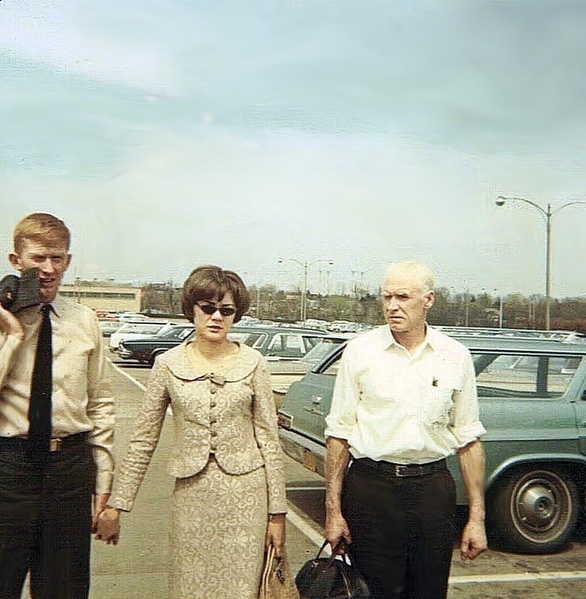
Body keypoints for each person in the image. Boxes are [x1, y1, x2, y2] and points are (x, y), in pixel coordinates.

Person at [98, 265, 288, 599]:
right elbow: (144, 438)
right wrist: (117, 506)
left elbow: (269, 442)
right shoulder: (168, 364)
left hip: (246, 498)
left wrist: (277, 515)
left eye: (226, 310)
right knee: (191, 587)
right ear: (192, 310)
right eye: (208, 308)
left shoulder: (255, 363)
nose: (217, 317)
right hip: (192, 497)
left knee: (242, 589)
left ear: (236, 314)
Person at [324, 260, 487, 599]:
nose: (391, 306)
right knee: (374, 592)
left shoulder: (455, 356)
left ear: (428, 300)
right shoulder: (361, 352)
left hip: (432, 493)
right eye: (386, 297)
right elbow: (339, 434)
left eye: (402, 297)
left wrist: (477, 518)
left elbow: (468, 440)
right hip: (371, 492)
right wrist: (333, 512)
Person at [0, 213, 115, 599]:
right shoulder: (1, 320)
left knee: (63, 589)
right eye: (38, 259)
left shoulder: (84, 322)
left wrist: (103, 478)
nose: (48, 270)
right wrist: (12, 337)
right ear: (16, 261)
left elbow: (100, 404)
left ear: (68, 260)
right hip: (8, 468)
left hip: (69, 472)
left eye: (57, 258)